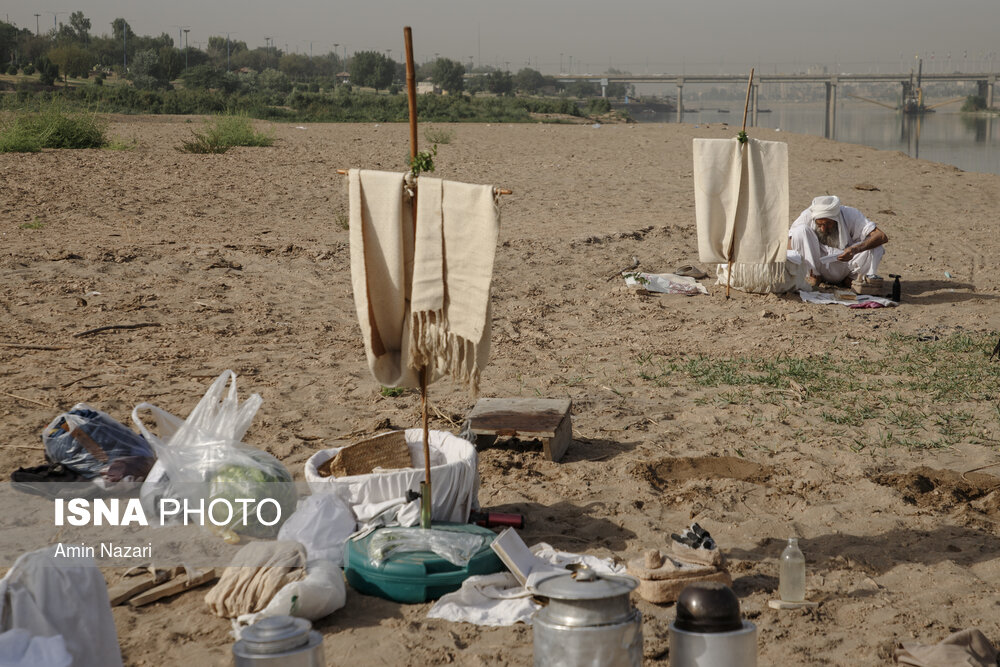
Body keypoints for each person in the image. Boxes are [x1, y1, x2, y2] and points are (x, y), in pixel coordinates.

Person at [788, 195, 888, 287]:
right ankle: (814, 277)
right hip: (817, 262)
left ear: (836, 219)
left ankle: (852, 280)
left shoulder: (850, 214)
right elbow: (789, 241)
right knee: (800, 231)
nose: (823, 229)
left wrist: (854, 249)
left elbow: (881, 236)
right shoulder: (807, 215)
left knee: (875, 246)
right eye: (819, 224)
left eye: (828, 224)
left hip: (846, 261)